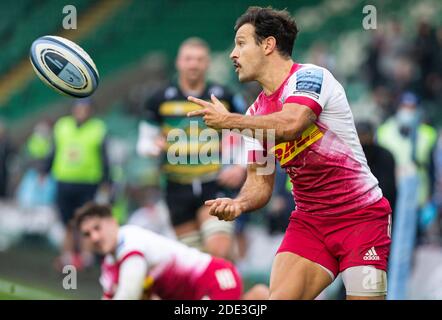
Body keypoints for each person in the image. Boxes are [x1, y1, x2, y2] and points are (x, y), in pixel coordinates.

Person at [187, 6, 392, 300]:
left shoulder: (309, 78)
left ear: (268, 45)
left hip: (361, 218)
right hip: (310, 223)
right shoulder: (255, 113)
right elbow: (260, 184)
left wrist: (230, 121)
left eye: (241, 43)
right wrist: (240, 204)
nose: (233, 53)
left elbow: (292, 123)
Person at [137, 37, 246, 259]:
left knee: (219, 252)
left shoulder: (224, 96)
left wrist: (240, 166)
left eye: (199, 59)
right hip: (176, 187)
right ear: (178, 62)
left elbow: (249, 131)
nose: (193, 64)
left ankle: (227, 287)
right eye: (188, 59)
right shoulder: (159, 99)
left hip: (213, 183)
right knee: (194, 260)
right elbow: (144, 143)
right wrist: (153, 147)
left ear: (207, 63)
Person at [74, 202, 269, 300]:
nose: (94, 238)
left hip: (216, 279)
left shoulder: (131, 242)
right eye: (87, 234)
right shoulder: (110, 265)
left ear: (112, 222)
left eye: (97, 228)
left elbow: (129, 294)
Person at [45, 98, 112, 270]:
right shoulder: (62, 126)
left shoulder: (98, 128)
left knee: (86, 222)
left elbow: (104, 157)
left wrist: (106, 180)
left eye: (86, 108)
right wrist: (44, 171)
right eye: (79, 108)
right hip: (64, 180)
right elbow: (53, 150)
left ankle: (86, 258)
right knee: (67, 222)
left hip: (88, 182)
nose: (82, 112)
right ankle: (67, 258)